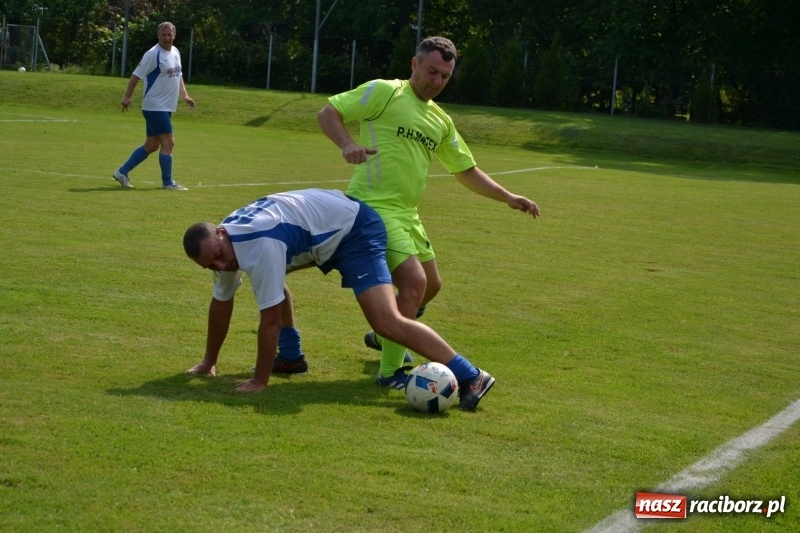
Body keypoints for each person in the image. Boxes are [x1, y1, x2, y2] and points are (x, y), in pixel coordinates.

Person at [317, 36, 540, 388]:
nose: (436, 81)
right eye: (432, 71)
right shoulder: (385, 92)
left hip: (407, 213)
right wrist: (347, 144)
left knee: (431, 286)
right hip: (371, 208)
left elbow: (465, 169)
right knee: (414, 283)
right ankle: (391, 371)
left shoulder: (440, 120)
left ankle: (388, 330)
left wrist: (507, 196)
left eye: (445, 76)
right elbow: (329, 112)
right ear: (414, 64)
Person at [183, 188, 494, 411]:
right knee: (270, 284)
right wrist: (209, 362)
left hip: (353, 229)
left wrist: (259, 381)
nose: (220, 267)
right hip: (324, 225)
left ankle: (472, 375)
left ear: (221, 233)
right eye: (210, 265)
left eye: (219, 257)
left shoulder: (257, 244)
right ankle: (291, 357)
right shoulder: (226, 246)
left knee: (386, 322)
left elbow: (271, 319)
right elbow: (221, 302)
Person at [112, 21, 195, 190]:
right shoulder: (152, 54)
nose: (166, 37)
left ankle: (122, 172)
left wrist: (185, 96)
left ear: (174, 35)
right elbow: (136, 76)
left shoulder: (175, 52)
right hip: (154, 106)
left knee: (152, 145)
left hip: (165, 107)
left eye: (169, 34)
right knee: (169, 143)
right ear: (158, 36)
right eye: (163, 35)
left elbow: (178, 75)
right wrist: (127, 96)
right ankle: (167, 182)